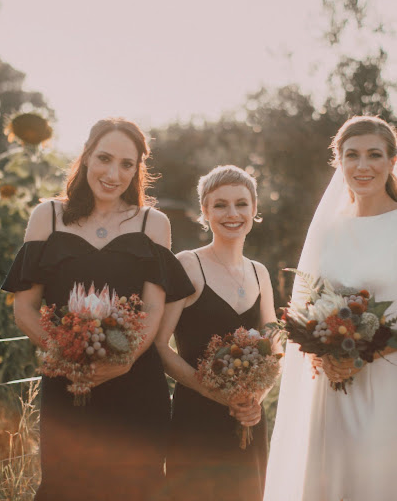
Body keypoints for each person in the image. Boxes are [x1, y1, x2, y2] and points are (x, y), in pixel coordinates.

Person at [1, 118, 195, 501]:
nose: (113, 173)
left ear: (138, 169)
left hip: (137, 388)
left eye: (127, 164)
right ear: (86, 156)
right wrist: (69, 358)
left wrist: (123, 361)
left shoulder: (152, 223)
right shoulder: (48, 216)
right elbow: (24, 307)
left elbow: (154, 310)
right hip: (69, 386)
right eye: (104, 158)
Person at [264, 115, 397, 501]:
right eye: (351, 155)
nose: (362, 165)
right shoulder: (331, 229)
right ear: (338, 162)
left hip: (388, 382)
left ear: (392, 161)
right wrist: (322, 351)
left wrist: (366, 354)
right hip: (335, 386)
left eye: (374, 154)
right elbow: (309, 304)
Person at [155, 165, 279, 501]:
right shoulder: (187, 264)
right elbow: (160, 346)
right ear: (205, 212)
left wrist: (256, 400)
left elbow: (274, 349)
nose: (232, 213)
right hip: (196, 420)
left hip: (249, 421)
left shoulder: (260, 273)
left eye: (241, 203)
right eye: (220, 204)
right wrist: (215, 393)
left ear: (255, 210)